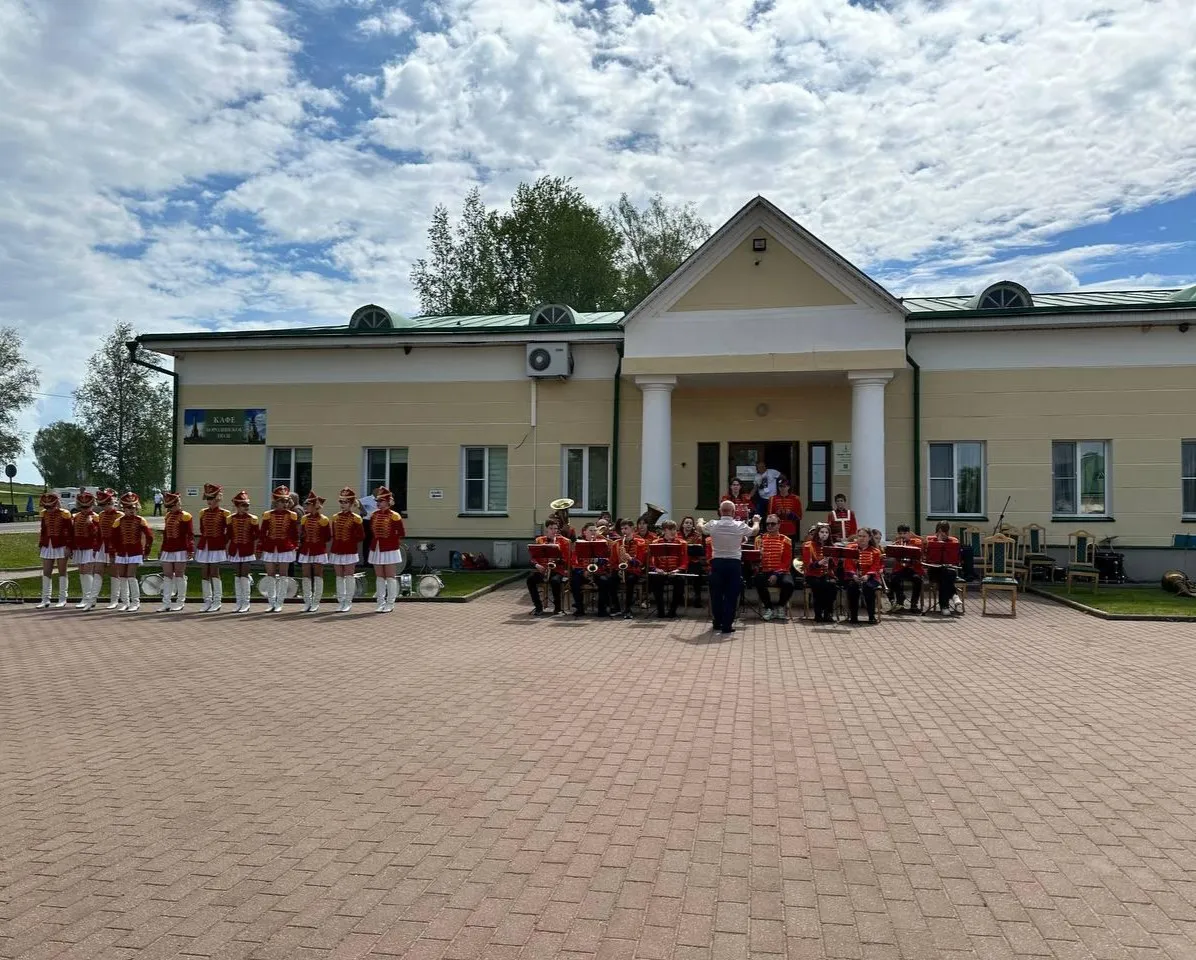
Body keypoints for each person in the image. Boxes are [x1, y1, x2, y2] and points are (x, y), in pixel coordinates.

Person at [699, 503, 760, 635]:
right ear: (733, 512)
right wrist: (756, 521)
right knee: (731, 595)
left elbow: (701, 529)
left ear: (720, 512)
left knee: (716, 594)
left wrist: (699, 521)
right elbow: (754, 531)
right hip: (733, 564)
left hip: (717, 563)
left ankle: (717, 622)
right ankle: (726, 625)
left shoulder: (713, 524)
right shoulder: (739, 525)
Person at [259, 485, 300, 613]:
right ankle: (271, 602)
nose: (284, 503)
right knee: (270, 575)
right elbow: (263, 532)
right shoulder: (267, 515)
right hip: (270, 547)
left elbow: (294, 533)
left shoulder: (292, 515)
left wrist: (294, 546)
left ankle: (280, 602)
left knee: (283, 575)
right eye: (281, 501)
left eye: (286, 501)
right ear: (275, 501)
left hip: (285, 547)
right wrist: (260, 547)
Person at [111, 492, 153, 612]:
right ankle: (125, 602)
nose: (131, 510)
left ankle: (135, 602)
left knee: (131, 575)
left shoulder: (140, 520)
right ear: (123, 508)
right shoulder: (119, 521)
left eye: (133, 507)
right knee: (122, 576)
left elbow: (149, 536)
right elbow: (113, 538)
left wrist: (146, 550)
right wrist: (113, 551)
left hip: (135, 552)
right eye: (128, 508)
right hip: (122, 552)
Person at [369, 487, 406, 613]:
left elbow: (401, 532)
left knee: (390, 576)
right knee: (379, 576)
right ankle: (380, 602)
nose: (378, 503)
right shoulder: (374, 515)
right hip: (376, 547)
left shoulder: (395, 516)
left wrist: (391, 540)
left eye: (381, 500)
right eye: (377, 501)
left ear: (388, 501)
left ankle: (390, 602)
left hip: (389, 548)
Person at [195, 483, 230, 613]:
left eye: (212, 498)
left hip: (217, 545)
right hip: (204, 545)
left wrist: (222, 543)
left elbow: (228, 532)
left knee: (214, 572)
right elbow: (202, 529)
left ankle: (217, 601)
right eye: (208, 499)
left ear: (218, 498)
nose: (209, 501)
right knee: (204, 573)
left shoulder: (225, 514)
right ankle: (207, 601)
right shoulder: (202, 513)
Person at [156, 492, 194, 613]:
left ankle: (180, 602)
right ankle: (166, 603)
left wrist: (190, 549)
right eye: (169, 507)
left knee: (179, 574)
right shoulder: (168, 516)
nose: (171, 509)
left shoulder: (186, 516)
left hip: (181, 548)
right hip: (168, 548)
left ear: (178, 503)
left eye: (173, 505)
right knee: (167, 574)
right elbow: (166, 534)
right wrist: (161, 549)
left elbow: (190, 534)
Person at [753, 514, 795, 621]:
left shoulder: (785, 540)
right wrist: (758, 558)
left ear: (779, 525)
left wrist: (776, 574)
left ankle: (781, 606)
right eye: (768, 524)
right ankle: (769, 608)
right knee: (758, 580)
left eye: (773, 524)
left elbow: (787, 561)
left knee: (789, 584)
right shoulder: (759, 539)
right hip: (765, 570)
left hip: (781, 572)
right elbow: (755, 560)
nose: (770, 526)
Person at [329, 488, 365, 612]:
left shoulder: (356, 518)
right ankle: (341, 601)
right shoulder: (335, 517)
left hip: (349, 550)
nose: (342, 505)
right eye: (341, 502)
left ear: (351, 504)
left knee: (349, 575)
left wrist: (350, 538)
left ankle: (348, 601)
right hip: (337, 549)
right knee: (339, 576)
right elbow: (333, 534)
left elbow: (361, 536)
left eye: (345, 502)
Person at [569, 522, 615, 617]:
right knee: (574, 581)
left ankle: (602, 609)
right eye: (590, 530)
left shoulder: (602, 544)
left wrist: (599, 560)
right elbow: (574, 561)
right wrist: (583, 571)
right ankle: (580, 608)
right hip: (584, 572)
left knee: (604, 581)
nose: (593, 532)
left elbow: (608, 560)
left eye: (595, 530)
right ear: (584, 532)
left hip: (598, 572)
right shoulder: (578, 544)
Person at [37, 491, 74, 609]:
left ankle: (62, 598)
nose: (49, 509)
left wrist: (69, 547)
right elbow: (43, 530)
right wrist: (41, 545)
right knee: (46, 571)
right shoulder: (44, 514)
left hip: (61, 544)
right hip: (47, 544)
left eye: (51, 506)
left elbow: (70, 532)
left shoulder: (65, 514)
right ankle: (45, 598)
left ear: (57, 504)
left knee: (62, 571)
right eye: (46, 507)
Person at [225, 491, 260, 614]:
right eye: (244, 505)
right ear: (238, 506)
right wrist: (227, 549)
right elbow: (229, 536)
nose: (246, 508)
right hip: (235, 549)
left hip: (247, 549)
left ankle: (246, 603)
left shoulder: (253, 519)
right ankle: (238, 602)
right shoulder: (230, 519)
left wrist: (256, 550)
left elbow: (256, 537)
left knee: (244, 574)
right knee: (238, 575)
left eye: (247, 505)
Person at [528, 518, 570, 616]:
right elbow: (533, 557)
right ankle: (538, 607)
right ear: (546, 529)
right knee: (530, 579)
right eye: (551, 528)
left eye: (556, 529)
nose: (554, 531)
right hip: (543, 570)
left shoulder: (563, 541)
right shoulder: (540, 540)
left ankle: (558, 608)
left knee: (555, 581)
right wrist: (537, 565)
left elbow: (566, 560)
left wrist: (556, 559)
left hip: (557, 570)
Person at [298, 492, 332, 613]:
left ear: (314, 505)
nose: (306, 506)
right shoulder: (304, 518)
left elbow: (328, 537)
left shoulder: (324, 520)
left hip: (318, 549)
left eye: (308, 504)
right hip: (306, 550)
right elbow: (302, 533)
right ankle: (307, 601)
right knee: (305, 575)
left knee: (318, 575)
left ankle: (316, 602)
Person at [71, 490, 104, 611]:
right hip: (79, 547)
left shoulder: (96, 517)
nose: (85, 509)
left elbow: (97, 534)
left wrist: (90, 524)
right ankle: (85, 597)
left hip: (91, 547)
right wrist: (71, 547)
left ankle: (91, 599)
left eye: (87, 506)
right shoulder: (76, 517)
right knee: (81, 571)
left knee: (87, 570)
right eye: (82, 507)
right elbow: (72, 533)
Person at [647, 520, 688, 618]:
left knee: (680, 582)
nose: (674, 532)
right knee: (655, 580)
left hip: (675, 572)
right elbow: (651, 560)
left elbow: (685, 561)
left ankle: (673, 610)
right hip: (661, 572)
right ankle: (660, 610)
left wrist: (677, 570)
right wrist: (656, 569)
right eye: (670, 529)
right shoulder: (656, 543)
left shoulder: (682, 543)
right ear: (664, 530)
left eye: (675, 529)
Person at [845, 529, 883, 624]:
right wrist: (854, 575)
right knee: (852, 588)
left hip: (871, 578)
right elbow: (848, 564)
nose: (861, 538)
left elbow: (875, 566)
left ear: (869, 538)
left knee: (868, 588)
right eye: (860, 536)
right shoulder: (850, 548)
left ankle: (871, 616)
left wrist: (867, 576)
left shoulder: (875, 551)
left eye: (864, 536)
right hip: (854, 577)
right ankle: (853, 616)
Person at [802, 523, 838, 623]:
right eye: (822, 532)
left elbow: (835, 565)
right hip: (812, 575)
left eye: (826, 532)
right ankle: (818, 613)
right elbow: (807, 565)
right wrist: (819, 563)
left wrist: (830, 561)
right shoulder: (808, 545)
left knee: (832, 586)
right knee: (819, 585)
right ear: (817, 533)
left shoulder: (832, 546)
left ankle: (828, 613)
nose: (824, 534)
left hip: (827, 574)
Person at [926, 520, 964, 616]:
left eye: (944, 531)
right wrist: (938, 542)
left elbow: (957, 558)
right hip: (934, 570)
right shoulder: (930, 541)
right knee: (944, 576)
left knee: (946, 575)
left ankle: (945, 607)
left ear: (948, 532)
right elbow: (928, 557)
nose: (941, 534)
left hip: (949, 570)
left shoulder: (953, 541)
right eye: (939, 531)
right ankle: (954, 595)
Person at [612, 519, 646, 619]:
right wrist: (617, 569)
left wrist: (630, 559)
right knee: (610, 580)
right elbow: (613, 561)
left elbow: (641, 562)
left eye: (626, 528)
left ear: (632, 529)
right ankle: (617, 608)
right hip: (621, 570)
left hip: (634, 570)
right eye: (622, 529)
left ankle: (627, 608)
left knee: (630, 580)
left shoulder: (640, 542)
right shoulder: (617, 543)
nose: (623, 531)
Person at [888, 524, 924, 612]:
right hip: (900, 568)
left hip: (913, 568)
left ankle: (914, 604)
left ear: (909, 533)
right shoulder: (896, 543)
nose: (902, 536)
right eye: (900, 534)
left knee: (917, 580)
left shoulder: (916, 542)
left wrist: (915, 536)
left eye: (905, 533)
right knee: (893, 578)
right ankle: (900, 601)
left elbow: (925, 542)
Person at [97, 489, 122, 610]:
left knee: (114, 571)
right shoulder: (101, 515)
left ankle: (114, 599)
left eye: (107, 504)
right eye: (102, 505)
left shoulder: (119, 515)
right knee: (98, 570)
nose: (104, 507)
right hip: (102, 545)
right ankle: (91, 599)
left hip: (115, 546)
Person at [767, 477, 803, 551]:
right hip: (777, 529)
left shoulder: (795, 499)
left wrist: (790, 514)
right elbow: (769, 516)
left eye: (784, 486)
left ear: (788, 487)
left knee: (790, 550)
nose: (782, 488)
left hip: (790, 529)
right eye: (780, 486)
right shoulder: (773, 499)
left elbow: (799, 516)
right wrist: (777, 514)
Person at [679, 516, 706, 608]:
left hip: (693, 561)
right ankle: (679, 598)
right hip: (681, 562)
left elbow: (700, 551)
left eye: (690, 523)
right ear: (682, 525)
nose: (688, 525)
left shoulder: (697, 536)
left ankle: (697, 598)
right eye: (686, 523)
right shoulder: (677, 535)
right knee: (679, 577)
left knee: (697, 575)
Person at [358, 490, 378, 566]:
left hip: (377, 522)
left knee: (375, 541)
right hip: (368, 521)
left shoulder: (380, 500)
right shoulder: (368, 499)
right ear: (375, 492)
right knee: (367, 542)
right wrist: (363, 511)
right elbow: (358, 502)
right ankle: (366, 561)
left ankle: (374, 561)